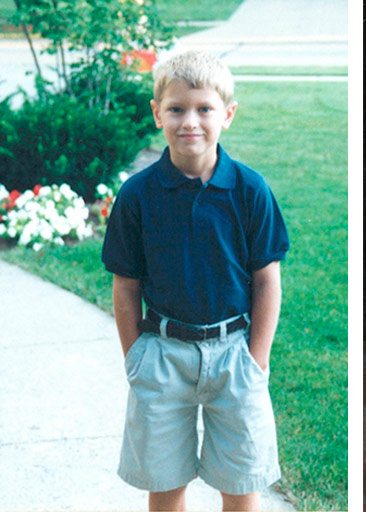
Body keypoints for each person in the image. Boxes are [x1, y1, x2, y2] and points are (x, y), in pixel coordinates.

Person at [102, 50, 289, 511]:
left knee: (242, 482)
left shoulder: (249, 189)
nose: (191, 121)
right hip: (163, 356)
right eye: (177, 109)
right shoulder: (137, 195)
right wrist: (136, 359)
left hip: (234, 355)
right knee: (165, 483)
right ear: (157, 113)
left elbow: (267, 281)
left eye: (205, 109)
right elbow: (125, 286)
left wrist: (256, 361)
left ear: (227, 114)